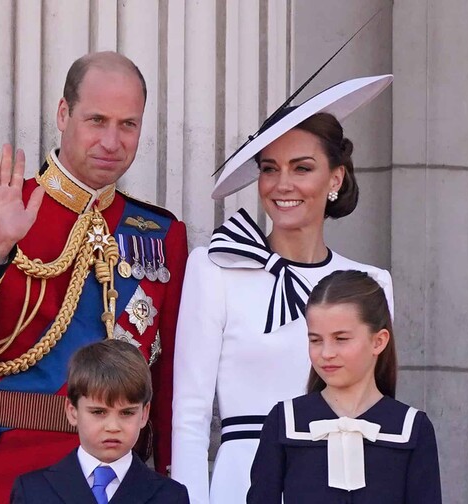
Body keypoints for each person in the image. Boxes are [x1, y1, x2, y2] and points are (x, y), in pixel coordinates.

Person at [0, 51, 188, 503]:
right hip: (8, 469)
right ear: (63, 114)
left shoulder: (161, 234)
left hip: (120, 483)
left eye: (128, 124)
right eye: (96, 120)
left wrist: (166, 475)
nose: (111, 141)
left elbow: (169, 379)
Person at [171, 75, 395, 503]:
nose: (282, 184)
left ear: (335, 179)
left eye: (302, 168)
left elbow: (377, 413)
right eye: (269, 169)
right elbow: (190, 417)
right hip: (242, 482)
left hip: (339, 483)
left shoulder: (371, 285)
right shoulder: (215, 268)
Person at [247, 270, 441, 503]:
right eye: (315, 340)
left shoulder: (412, 429)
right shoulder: (284, 421)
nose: (326, 353)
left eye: (341, 339)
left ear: (378, 341)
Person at [10, 339, 189, 503]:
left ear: (144, 414)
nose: (112, 427)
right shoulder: (32, 491)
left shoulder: (171, 496)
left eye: (126, 413)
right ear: (72, 412)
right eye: (98, 412)